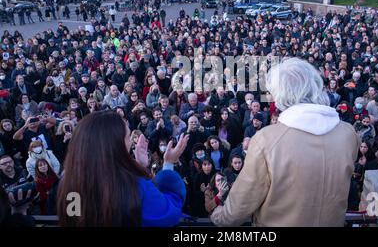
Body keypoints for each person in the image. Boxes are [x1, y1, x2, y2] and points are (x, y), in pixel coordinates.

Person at [210, 58, 359, 226]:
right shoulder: (348, 133)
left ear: (280, 94)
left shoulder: (266, 140)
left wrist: (218, 216)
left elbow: (242, 203)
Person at [57, 110, 189, 227]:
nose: (131, 141)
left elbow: (73, 217)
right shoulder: (134, 186)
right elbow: (168, 212)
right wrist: (168, 164)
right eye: (128, 136)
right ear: (114, 145)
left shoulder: (68, 181)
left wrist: (139, 167)